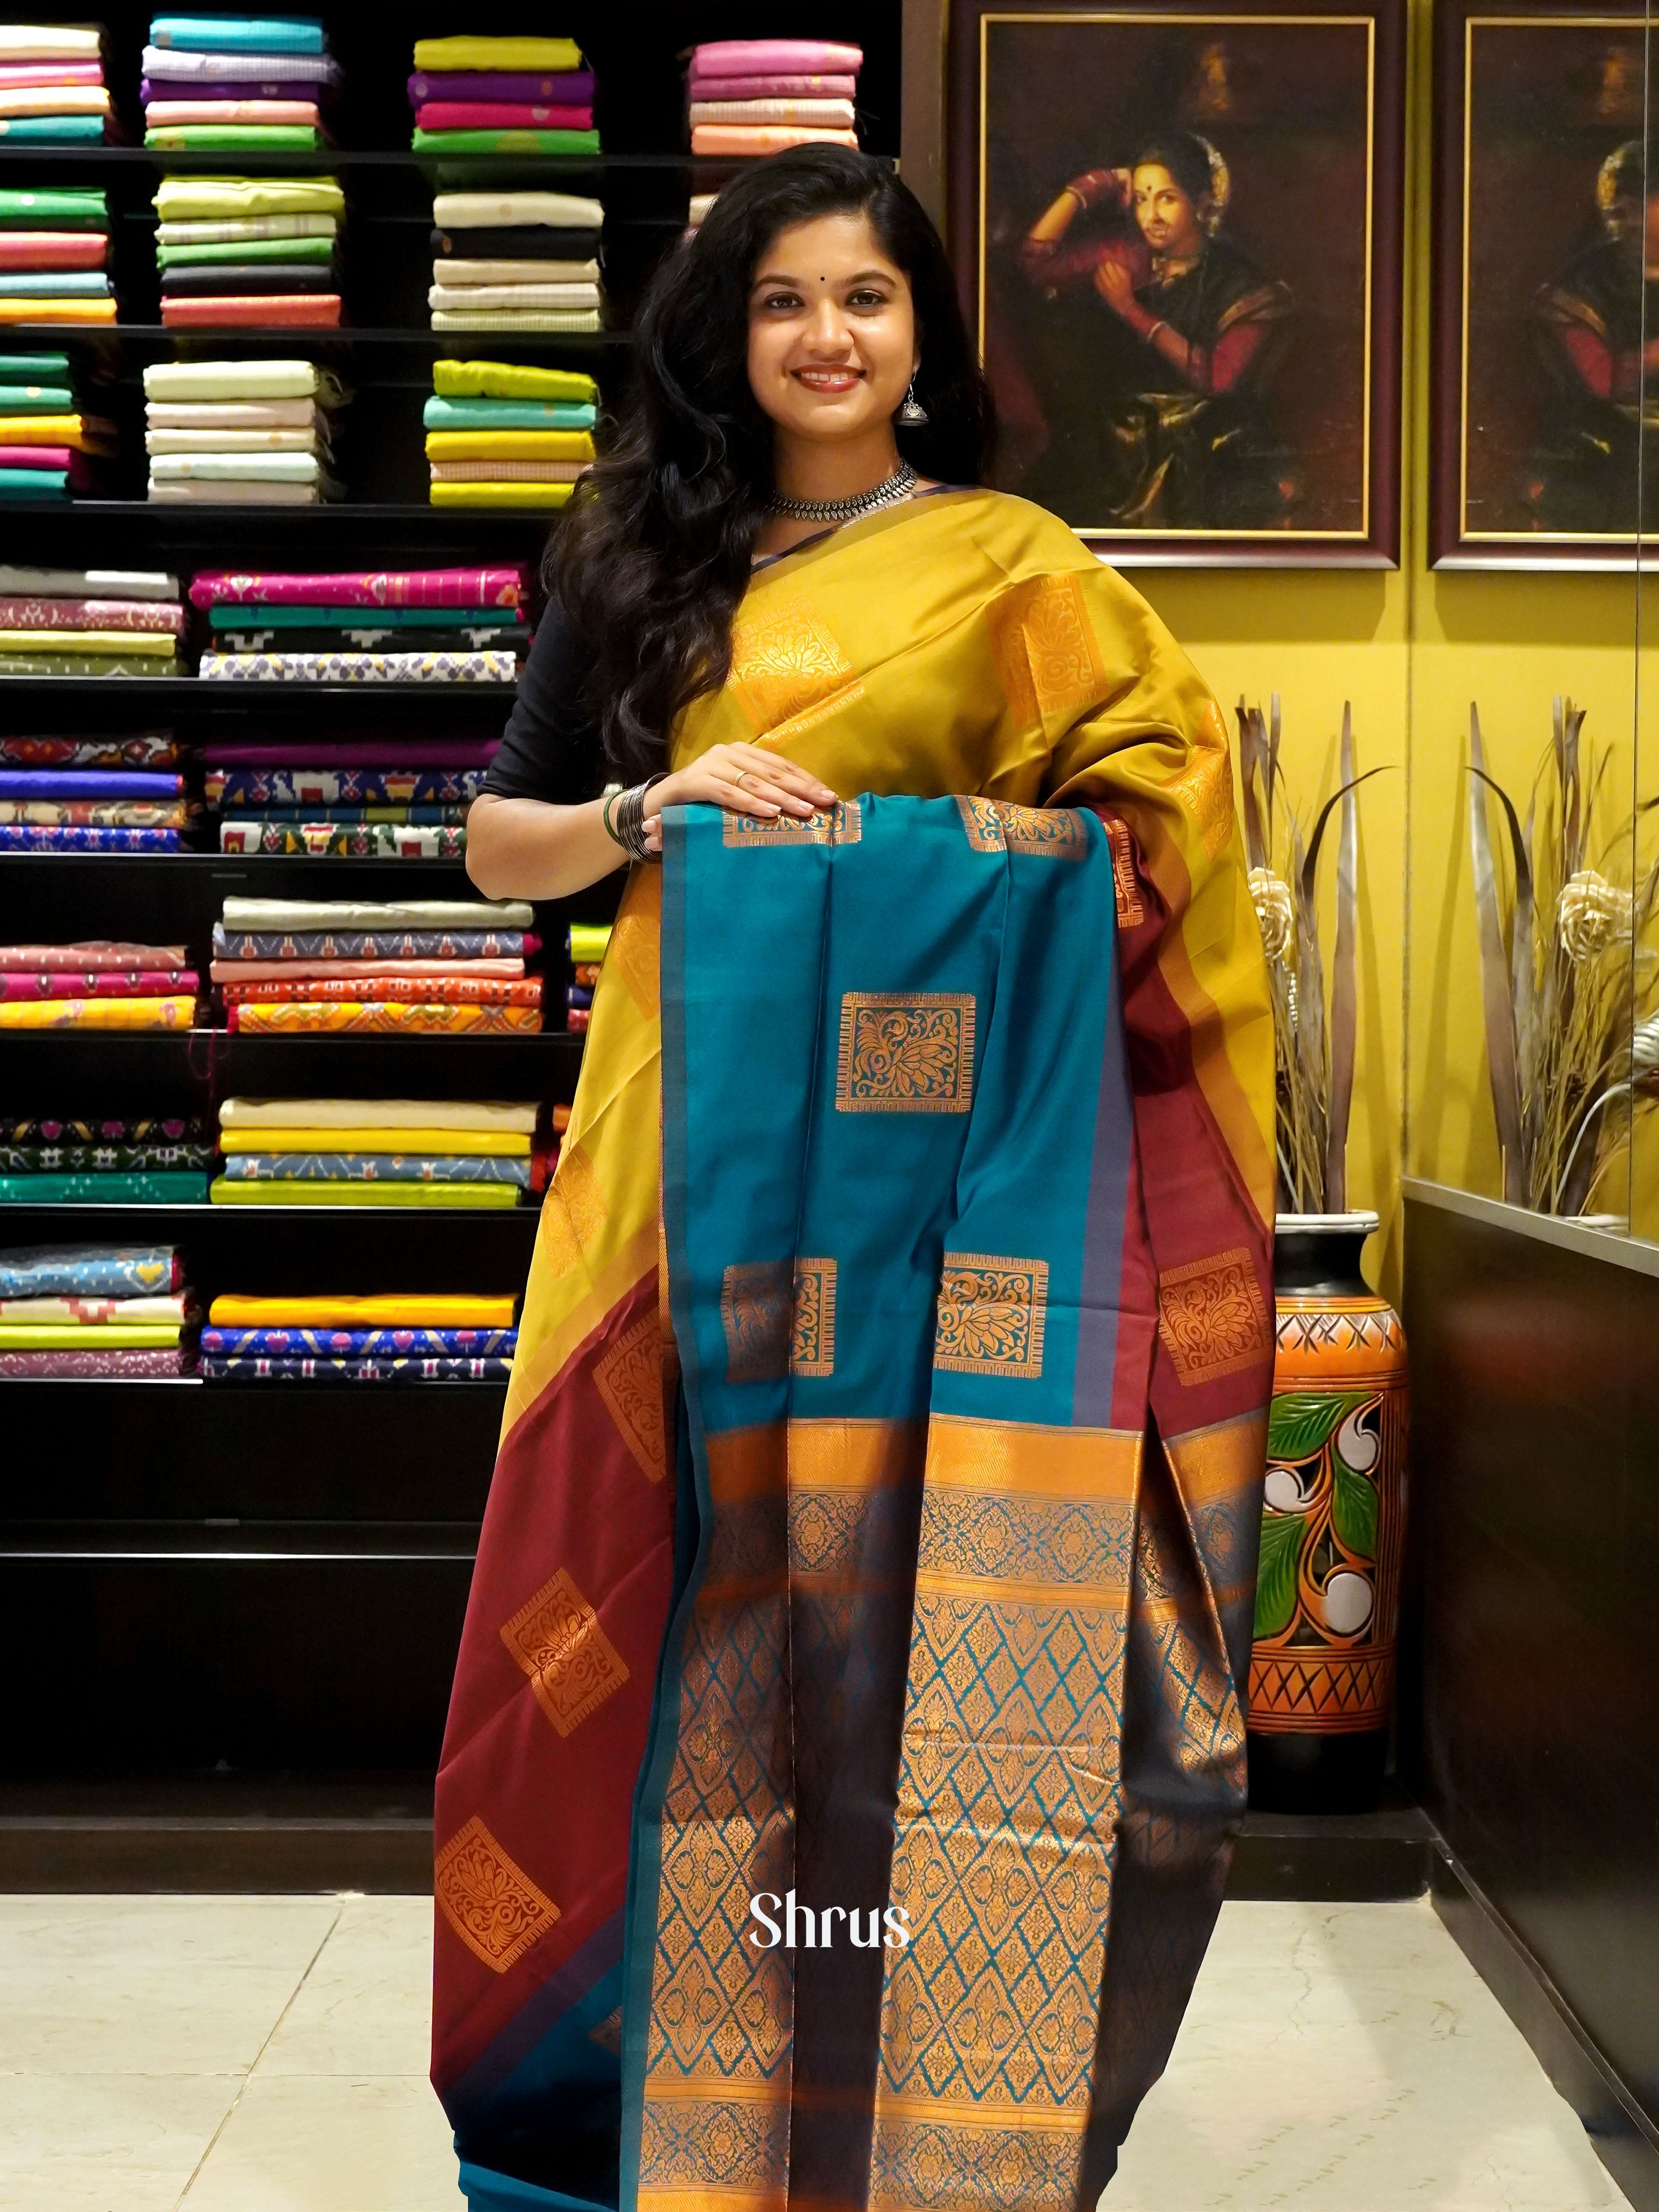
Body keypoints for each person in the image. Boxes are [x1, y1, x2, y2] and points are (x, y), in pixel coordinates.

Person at [435, 144, 1275, 2212]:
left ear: (919, 336)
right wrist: (664, 800)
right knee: (634, 1608)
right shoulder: (639, 551)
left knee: (931, 1637)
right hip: (684, 1179)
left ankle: (926, 2118)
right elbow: (501, 847)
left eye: (867, 297)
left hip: (956, 1215)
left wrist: (946, 857)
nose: (827, 333)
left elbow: (1161, 831)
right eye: (785, 298)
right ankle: (630, 2118)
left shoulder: (1016, 568)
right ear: (731, 334)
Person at [1018, 130, 1295, 528]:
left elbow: (1216, 378)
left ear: (1200, 204)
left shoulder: (1241, 283)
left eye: (1167, 198)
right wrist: (1095, 185)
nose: (1152, 216)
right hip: (1119, 441)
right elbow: (1034, 261)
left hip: (1201, 445)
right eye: (1143, 199)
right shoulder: (1130, 256)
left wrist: (1131, 310)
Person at [1526, 138, 1659, 533]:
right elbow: (1598, 380)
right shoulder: (1582, 286)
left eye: (1641, 205)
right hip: (1605, 452)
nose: (1626, 220)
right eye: (1619, 209)